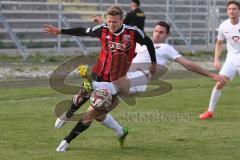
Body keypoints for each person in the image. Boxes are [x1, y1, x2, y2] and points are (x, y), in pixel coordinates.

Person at [43, 5, 157, 152]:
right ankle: (68, 114)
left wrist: (153, 63)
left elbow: (148, 43)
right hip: (98, 73)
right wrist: (60, 31)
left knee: (91, 114)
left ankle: (66, 141)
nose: (111, 24)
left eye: (114, 21)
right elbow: (82, 31)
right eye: (109, 21)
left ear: (122, 20)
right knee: (81, 97)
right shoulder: (102, 29)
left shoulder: (133, 33)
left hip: (115, 82)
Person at [199, 1, 240, 120]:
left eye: (234, 9)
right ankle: (210, 111)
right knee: (219, 83)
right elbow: (219, 43)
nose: (232, 11)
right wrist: (216, 59)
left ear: (239, 11)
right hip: (231, 60)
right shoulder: (224, 26)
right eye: (230, 9)